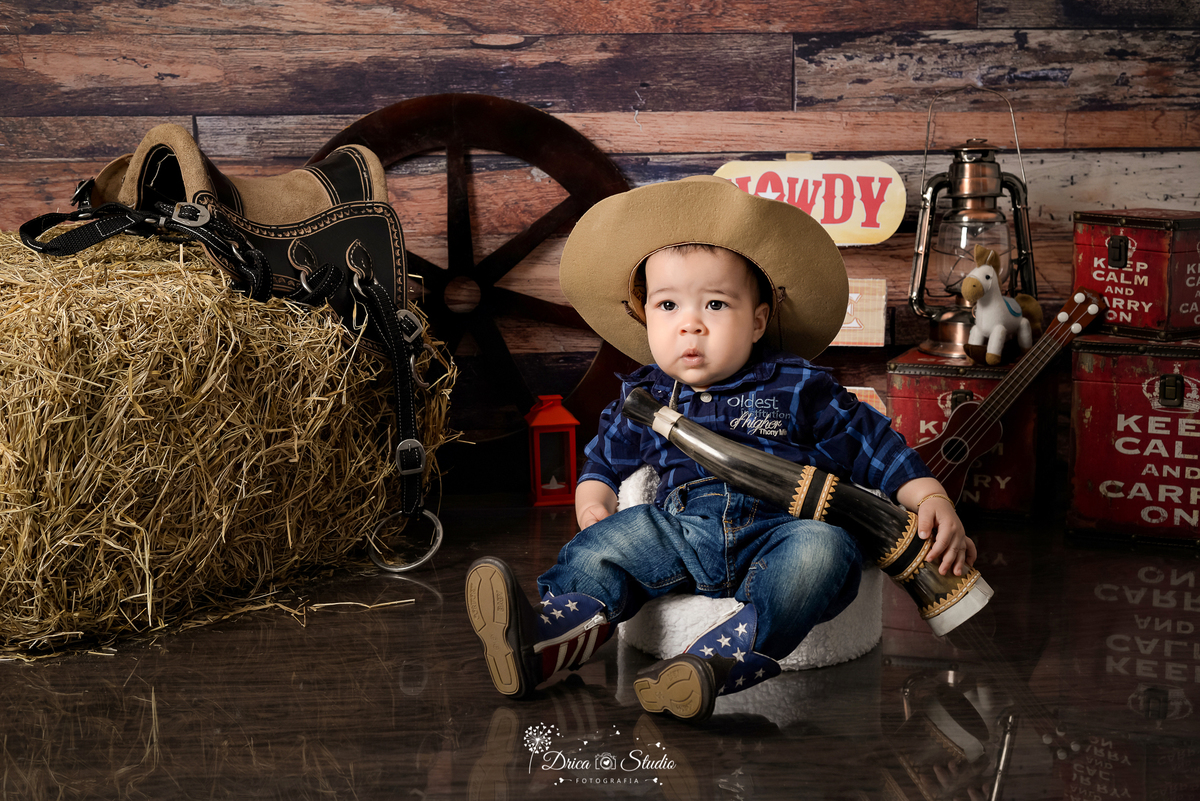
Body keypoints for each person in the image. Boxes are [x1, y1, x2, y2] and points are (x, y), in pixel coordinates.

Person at [465, 176, 976, 722]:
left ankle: (718, 661)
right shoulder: (646, 398)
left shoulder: (797, 386)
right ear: (645, 319)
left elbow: (874, 443)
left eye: (715, 303)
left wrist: (928, 494)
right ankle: (548, 637)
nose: (690, 323)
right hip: (681, 529)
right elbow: (603, 462)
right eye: (667, 305)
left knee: (822, 554)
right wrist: (593, 502)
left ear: (758, 320)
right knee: (607, 547)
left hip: (781, 527)